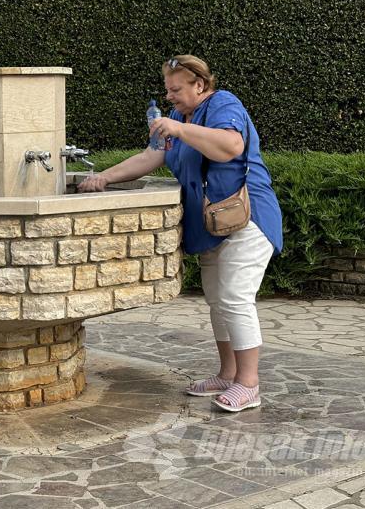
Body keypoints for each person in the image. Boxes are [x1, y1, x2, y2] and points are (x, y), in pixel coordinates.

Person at [78, 54, 282, 412]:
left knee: (234, 298)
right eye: (168, 89)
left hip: (246, 219)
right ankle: (227, 374)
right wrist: (105, 177)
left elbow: (231, 146)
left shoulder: (223, 104)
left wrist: (180, 130)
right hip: (212, 224)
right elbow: (151, 157)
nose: (169, 96)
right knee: (217, 300)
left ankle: (249, 385)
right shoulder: (177, 118)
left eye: (176, 89)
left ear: (199, 85)